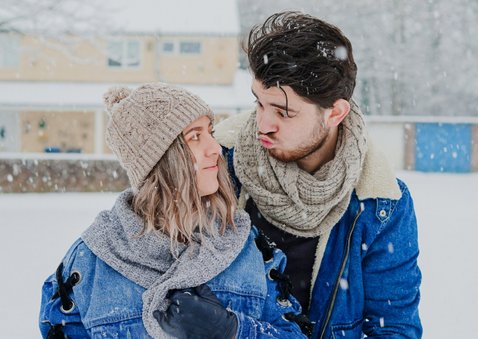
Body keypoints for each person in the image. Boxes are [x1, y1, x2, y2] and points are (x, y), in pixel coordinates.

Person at [39, 83, 311, 338]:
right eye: (195, 137)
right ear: (160, 160)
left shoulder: (245, 248)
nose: (215, 148)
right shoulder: (90, 264)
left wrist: (231, 330)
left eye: (210, 133)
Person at [213, 11, 422, 338]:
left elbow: (393, 328)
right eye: (259, 104)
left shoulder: (380, 206)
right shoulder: (218, 166)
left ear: (335, 113)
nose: (263, 124)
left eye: (284, 112)